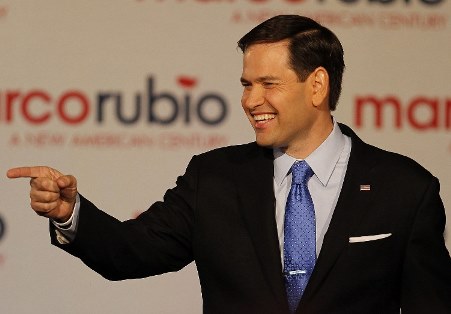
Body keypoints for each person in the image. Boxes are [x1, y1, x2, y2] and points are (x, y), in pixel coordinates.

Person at [7, 15, 451, 314]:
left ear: (317, 85)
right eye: (245, 84)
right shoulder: (213, 179)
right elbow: (129, 253)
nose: (250, 100)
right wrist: (69, 213)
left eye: (267, 84)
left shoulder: (405, 189)